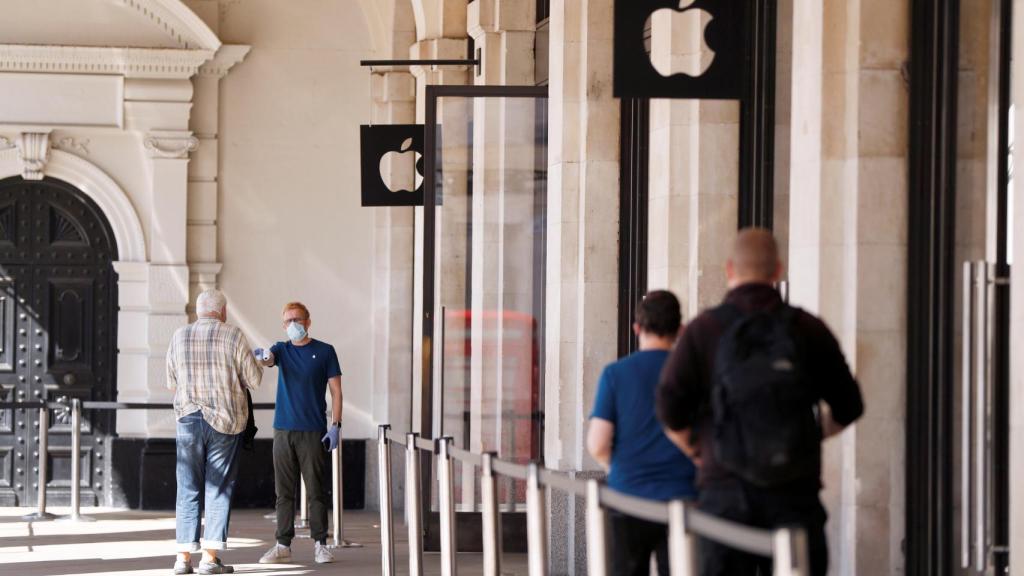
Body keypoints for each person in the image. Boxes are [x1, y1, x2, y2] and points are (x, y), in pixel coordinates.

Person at [656, 228, 864, 576]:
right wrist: (809, 436)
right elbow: (850, 405)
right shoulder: (808, 328)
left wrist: (699, 449)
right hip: (794, 496)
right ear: (778, 270)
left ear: (729, 270)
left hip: (724, 494)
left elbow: (668, 408)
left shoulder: (703, 330)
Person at [587, 290, 698, 576]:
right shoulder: (693, 374)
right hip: (684, 495)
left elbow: (597, 443)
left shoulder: (616, 374)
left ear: (637, 328)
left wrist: (618, 466)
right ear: (680, 330)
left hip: (629, 493)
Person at [166, 289, 263, 575]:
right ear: (222, 312)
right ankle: (210, 559)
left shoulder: (178, 336)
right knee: (218, 489)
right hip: (225, 422)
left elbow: (172, 383)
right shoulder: (233, 335)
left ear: (198, 311)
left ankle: (182, 559)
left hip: (188, 421)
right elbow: (253, 380)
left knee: (187, 488)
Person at [257, 302, 343, 565]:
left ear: (308, 321)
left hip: (313, 430)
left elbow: (336, 391)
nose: (292, 324)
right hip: (283, 429)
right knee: (284, 492)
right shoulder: (281, 349)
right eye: (287, 321)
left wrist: (336, 425)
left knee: (316, 489)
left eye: (297, 319)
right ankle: (283, 544)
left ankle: (321, 544)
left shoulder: (325, 351)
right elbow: (268, 359)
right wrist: (263, 356)